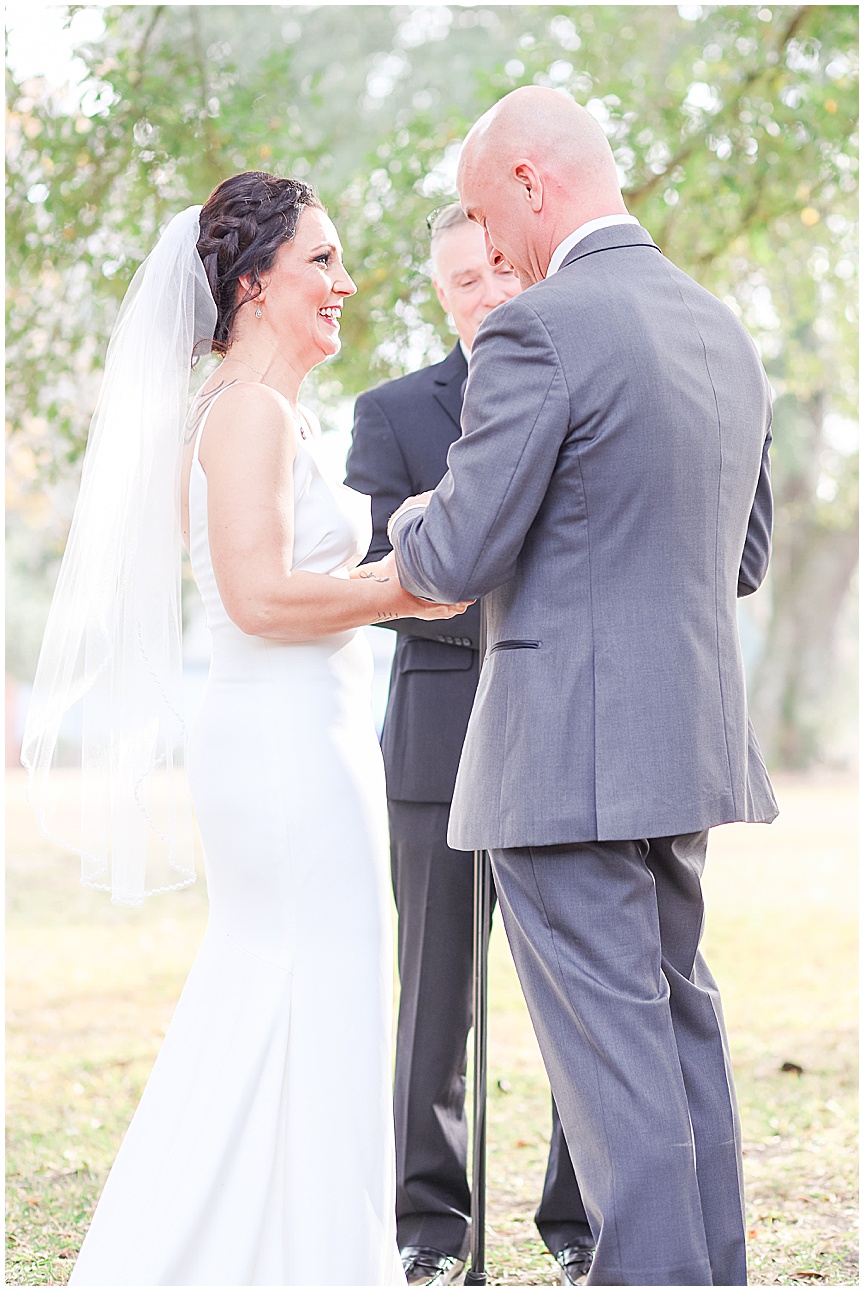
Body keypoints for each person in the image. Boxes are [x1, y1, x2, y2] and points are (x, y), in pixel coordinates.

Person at [22, 172, 470, 1286]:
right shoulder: (247, 415)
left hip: (297, 741)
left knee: (303, 999)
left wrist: (390, 565)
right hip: (280, 755)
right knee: (306, 994)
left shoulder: (263, 413)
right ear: (255, 279)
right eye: (321, 260)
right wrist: (402, 584)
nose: (345, 283)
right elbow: (262, 597)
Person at [385, 87, 777, 1286]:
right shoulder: (722, 330)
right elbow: (743, 555)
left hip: (561, 763)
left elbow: (451, 557)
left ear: (530, 183)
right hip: (686, 743)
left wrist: (411, 513)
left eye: (486, 218)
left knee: (616, 1086)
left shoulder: (535, 329)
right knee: (679, 1037)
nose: (490, 254)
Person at [346, 203, 595, 1287]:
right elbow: (372, 583)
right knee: (433, 998)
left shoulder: (584, 380)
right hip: (439, 747)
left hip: (566, 739)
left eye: (498, 271)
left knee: (583, 994)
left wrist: (452, 547)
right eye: (462, 282)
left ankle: (582, 1223)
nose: (485, 294)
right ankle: (430, 1230)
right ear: (439, 296)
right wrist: (499, 570)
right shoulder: (393, 412)